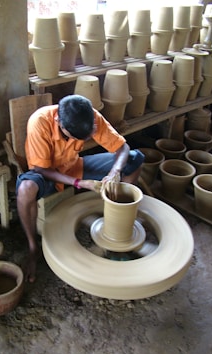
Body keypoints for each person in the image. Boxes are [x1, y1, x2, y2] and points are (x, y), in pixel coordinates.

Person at [16, 94, 144, 282]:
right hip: (46, 174)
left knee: (134, 158)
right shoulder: (40, 121)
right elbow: (40, 168)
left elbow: (122, 148)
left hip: (74, 167)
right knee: (26, 189)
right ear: (60, 122)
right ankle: (33, 248)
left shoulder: (89, 117)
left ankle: (115, 223)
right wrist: (78, 183)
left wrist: (115, 171)